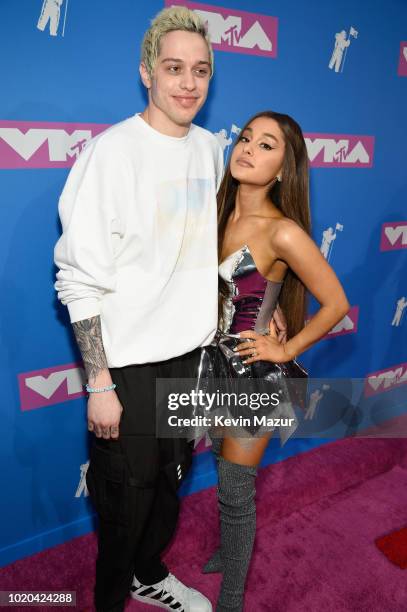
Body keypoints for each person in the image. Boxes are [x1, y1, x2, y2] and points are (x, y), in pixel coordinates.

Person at [54, 7, 223, 612]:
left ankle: (149, 575)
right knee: (124, 502)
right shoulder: (111, 154)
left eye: (200, 70)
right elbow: (77, 280)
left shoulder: (210, 150)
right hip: (127, 370)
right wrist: (99, 381)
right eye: (174, 68)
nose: (187, 83)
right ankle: (109, 599)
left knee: (168, 491)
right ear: (147, 73)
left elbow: (216, 250)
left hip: (189, 360)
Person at [200, 110, 350, 611]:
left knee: (235, 489)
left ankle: (233, 598)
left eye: (267, 145)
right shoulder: (214, 209)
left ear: (285, 168)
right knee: (224, 468)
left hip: (255, 378)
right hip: (212, 367)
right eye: (245, 138)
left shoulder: (281, 232)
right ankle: (227, 552)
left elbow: (336, 302)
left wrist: (283, 348)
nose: (248, 148)